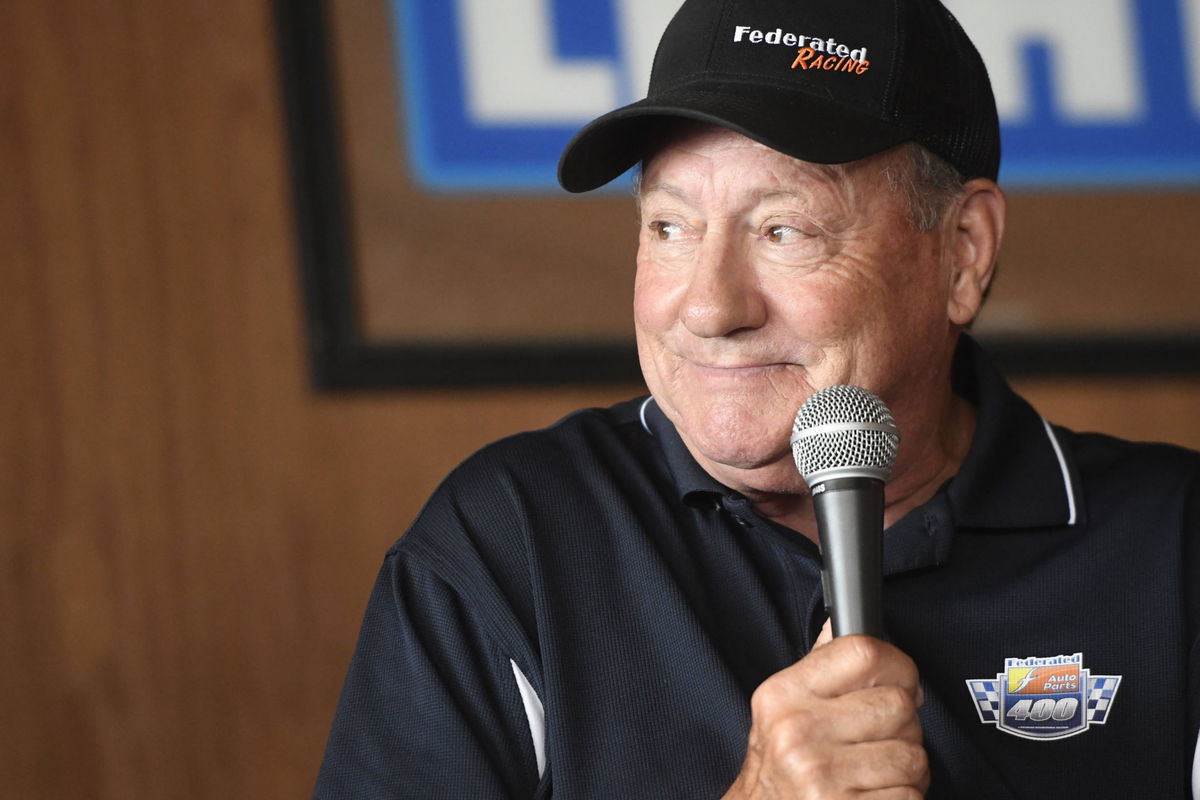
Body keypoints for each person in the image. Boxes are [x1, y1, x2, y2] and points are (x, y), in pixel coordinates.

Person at [314, 0, 1200, 797]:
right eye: (670, 227)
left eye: (783, 229)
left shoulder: (1175, 545)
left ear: (963, 251)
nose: (708, 308)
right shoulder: (513, 537)